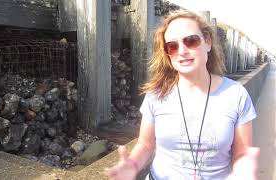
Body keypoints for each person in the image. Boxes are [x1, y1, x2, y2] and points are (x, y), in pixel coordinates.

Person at [105, 10, 259, 180]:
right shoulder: (156, 94)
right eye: (172, 46)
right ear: (167, 53)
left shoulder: (236, 95)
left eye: (191, 41)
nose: (182, 51)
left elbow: (242, 154)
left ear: (207, 42)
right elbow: (146, 145)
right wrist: (132, 165)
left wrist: (243, 171)